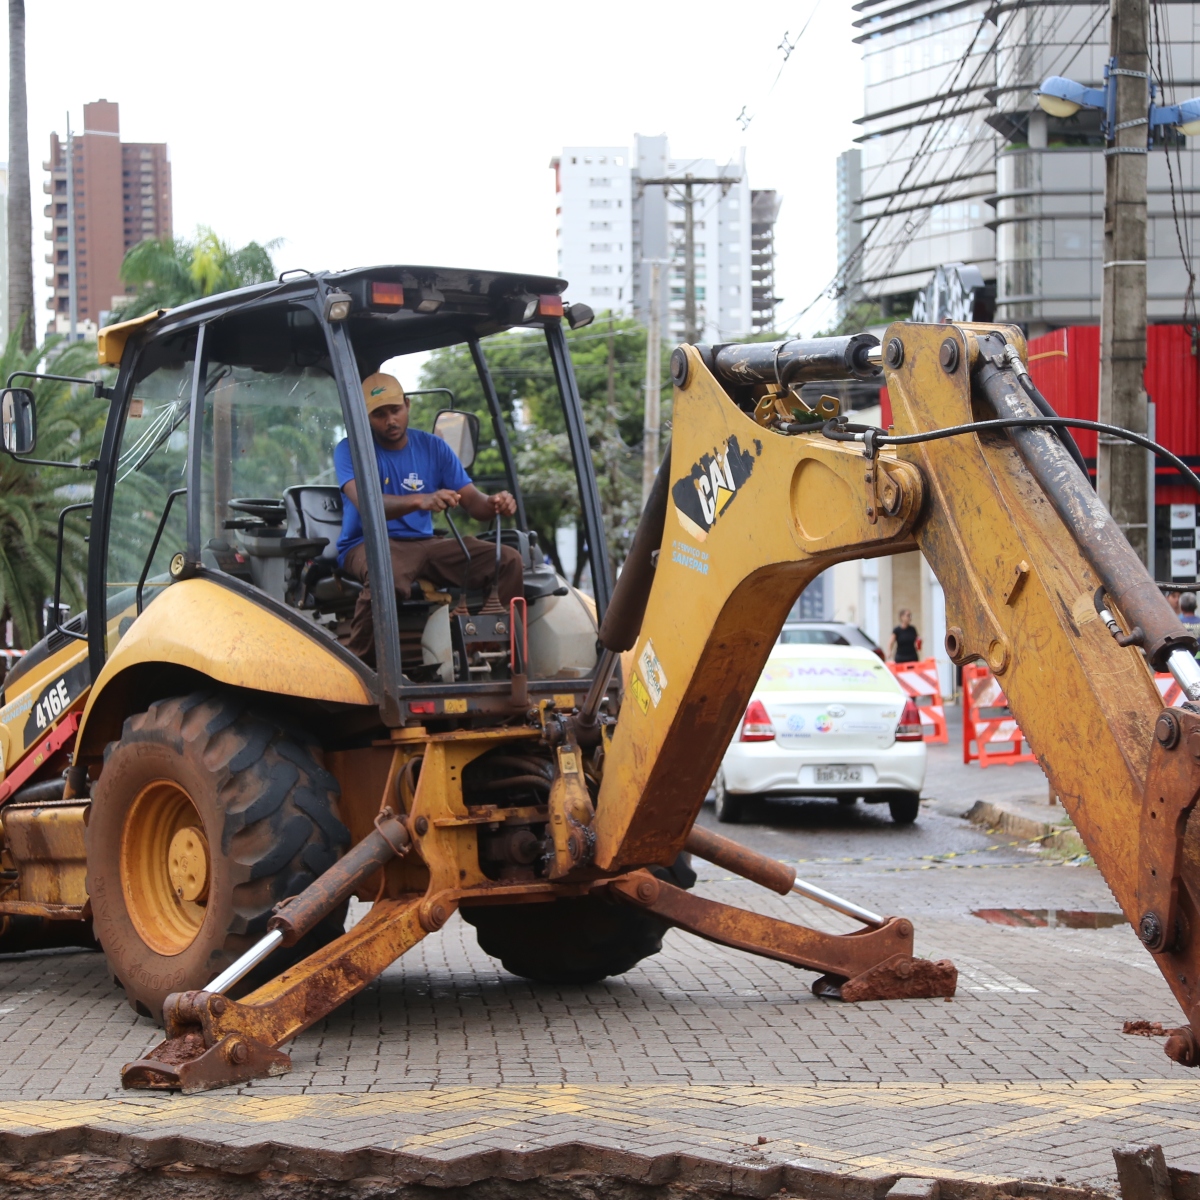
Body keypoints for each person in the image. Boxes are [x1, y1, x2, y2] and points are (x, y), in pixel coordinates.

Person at [335, 372, 522, 664]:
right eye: (379, 414)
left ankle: (489, 656)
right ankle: (359, 668)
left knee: (508, 560)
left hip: (426, 543)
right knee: (387, 576)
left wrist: (495, 502)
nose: (390, 421)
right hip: (368, 543)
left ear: (407, 405)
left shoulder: (434, 447)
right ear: (365, 417)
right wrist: (421, 499)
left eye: (395, 410)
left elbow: (474, 503)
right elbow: (367, 505)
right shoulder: (351, 449)